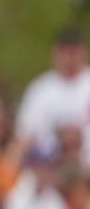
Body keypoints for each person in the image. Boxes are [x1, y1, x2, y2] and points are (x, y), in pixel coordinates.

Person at [16, 28, 90, 156]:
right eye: (64, 51)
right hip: (50, 167)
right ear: (54, 53)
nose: (69, 57)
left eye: (73, 51)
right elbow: (25, 134)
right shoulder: (40, 89)